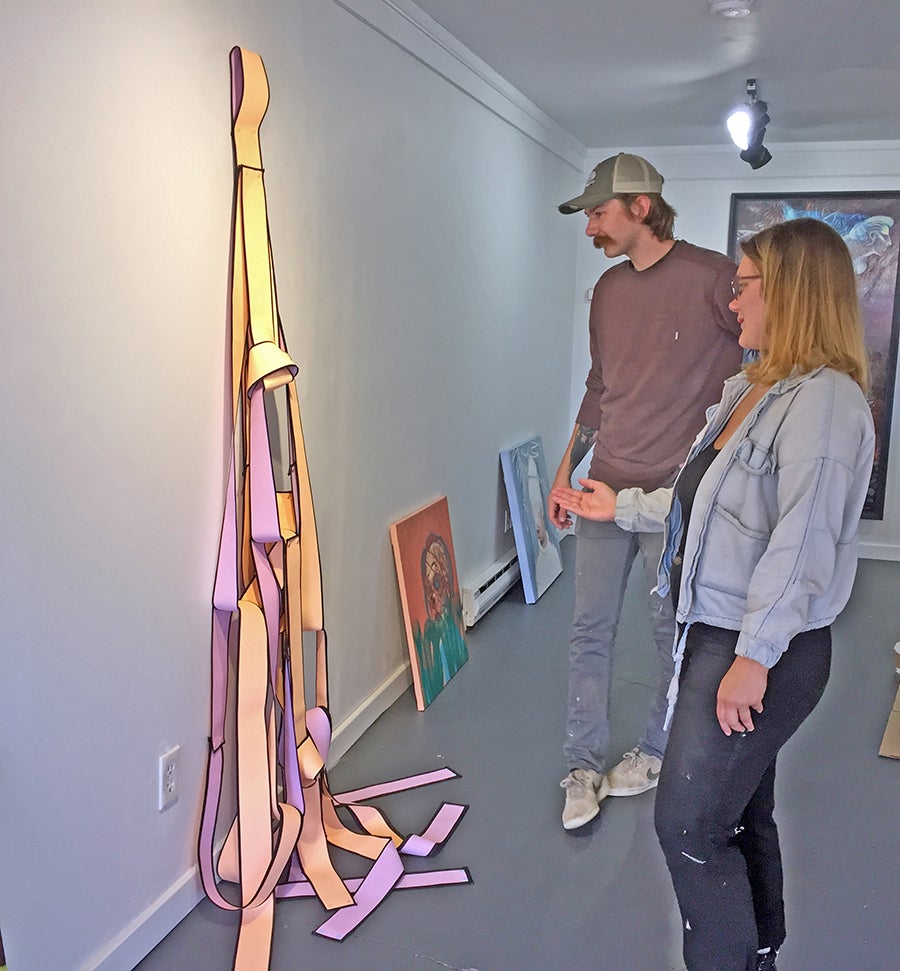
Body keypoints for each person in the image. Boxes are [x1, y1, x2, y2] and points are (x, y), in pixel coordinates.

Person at [552, 218, 875, 971]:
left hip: (758, 647)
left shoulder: (824, 403)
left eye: (745, 285)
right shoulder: (755, 392)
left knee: (689, 825)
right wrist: (617, 507)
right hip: (719, 635)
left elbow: (799, 545)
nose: (734, 303)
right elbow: (704, 510)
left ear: (791, 294)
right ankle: (760, 949)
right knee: (741, 806)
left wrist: (754, 656)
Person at [550, 153, 743, 830]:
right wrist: (563, 470)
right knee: (587, 631)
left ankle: (658, 751)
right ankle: (581, 765)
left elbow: (763, 358)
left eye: (598, 213)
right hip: (604, 484)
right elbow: (600, 386)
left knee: (672, 635)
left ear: (639, 206)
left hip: (672, 501)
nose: (590, 229)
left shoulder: (716, 279)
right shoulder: (607, 291)